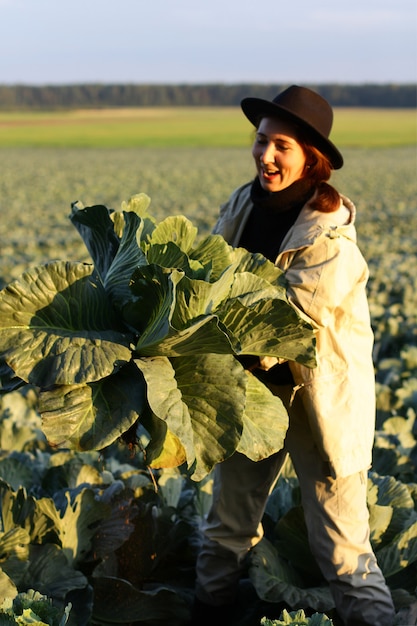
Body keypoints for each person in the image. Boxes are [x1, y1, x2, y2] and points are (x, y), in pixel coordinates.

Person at [191, 86, 395, 626]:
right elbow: (207, 276)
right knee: (225, 529)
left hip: (319, 400)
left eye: (282, 145)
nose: (267, 156)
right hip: (251, 394)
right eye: (261, 142)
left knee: (342, 547)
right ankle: (209, 613)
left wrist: (204, 338)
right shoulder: (240, 206)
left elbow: (285, 326)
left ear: (311, 158)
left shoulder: (330, 241)